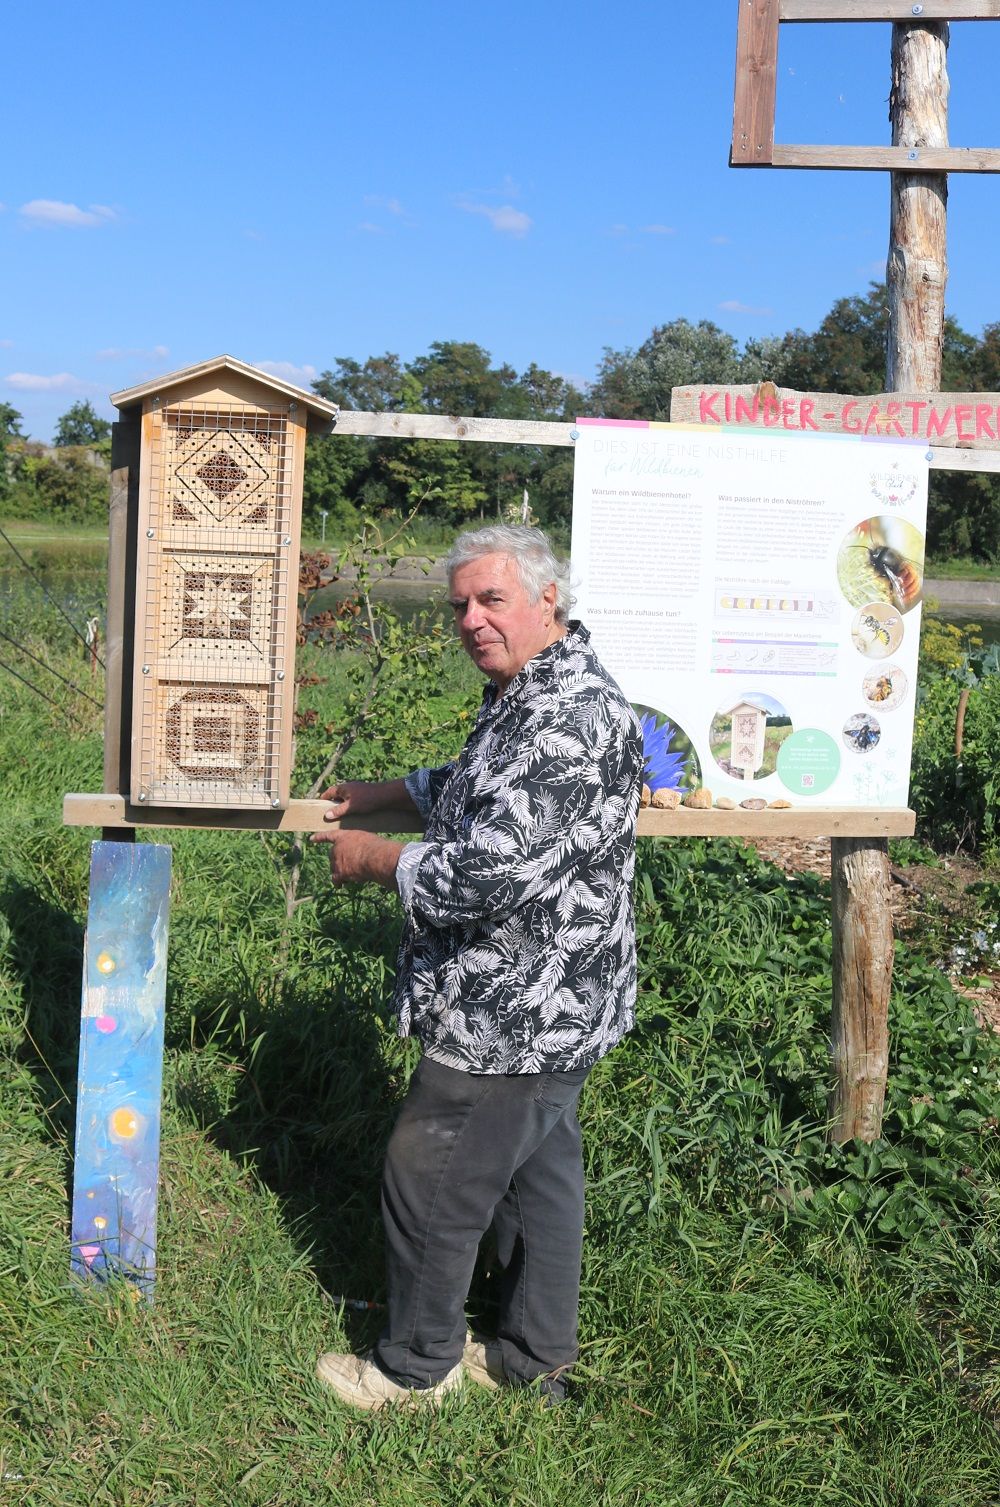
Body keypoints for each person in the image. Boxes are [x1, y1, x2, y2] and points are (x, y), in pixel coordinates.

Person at [311, 524, 642, 1410]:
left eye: (490, 599)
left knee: (434, 1173)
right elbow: (480, 780)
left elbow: (483, 872)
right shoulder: (535, 689)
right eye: (459, 603)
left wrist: (372, 856)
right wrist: (384, 792)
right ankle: (534, 1357)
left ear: (548, 602)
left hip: (517, 1002)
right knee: (537, 1179)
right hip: (561, 1000)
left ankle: (415, 1367)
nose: (471, 618)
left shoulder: (568, 715)